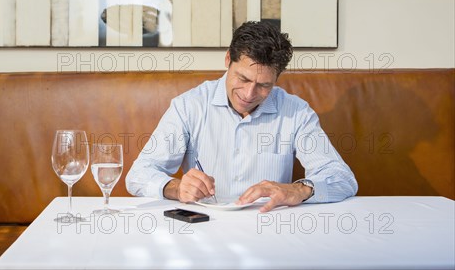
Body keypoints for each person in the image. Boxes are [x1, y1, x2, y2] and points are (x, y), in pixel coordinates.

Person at [126, 21, 357, 212]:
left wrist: (299, 190)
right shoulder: (189, 106)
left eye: (264, 85)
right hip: (203, 227)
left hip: (268, 227)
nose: (249, 94)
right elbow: (138, 175)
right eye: (243, 79)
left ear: (277, 78)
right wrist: (175, 187)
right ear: (228, 60)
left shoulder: (296, 112)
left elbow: (342, 178)